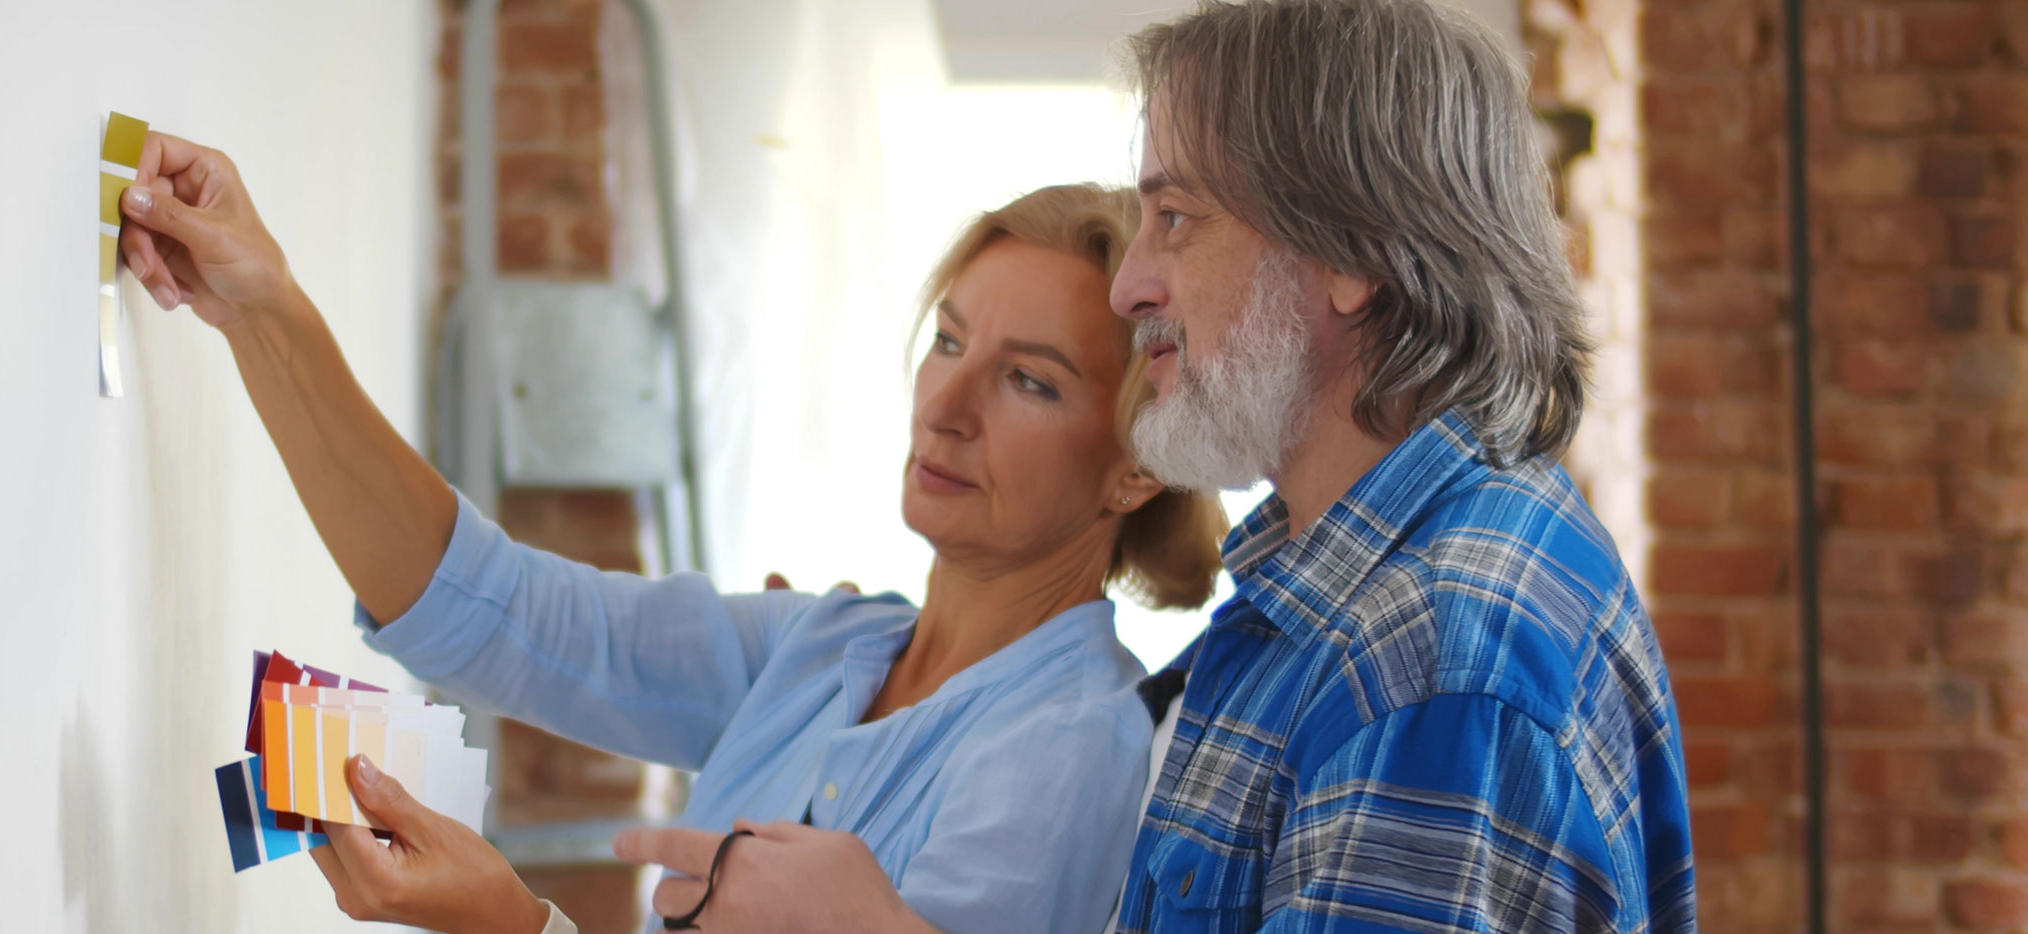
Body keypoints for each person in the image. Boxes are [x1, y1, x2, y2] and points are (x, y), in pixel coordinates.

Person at [602, 1, 1702, 932]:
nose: (1131, 287)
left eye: (1176, 219)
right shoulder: (1339, 584)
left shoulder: (1436, 669)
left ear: (1355, 258)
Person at [114, 169, 1230, 933]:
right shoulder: (822, 645)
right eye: (946, 339)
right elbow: (494, 612)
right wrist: (264, 310)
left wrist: (514, 920)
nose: (946, 404)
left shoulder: (1069, 747)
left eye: (1029, 380)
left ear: (1136, 464)